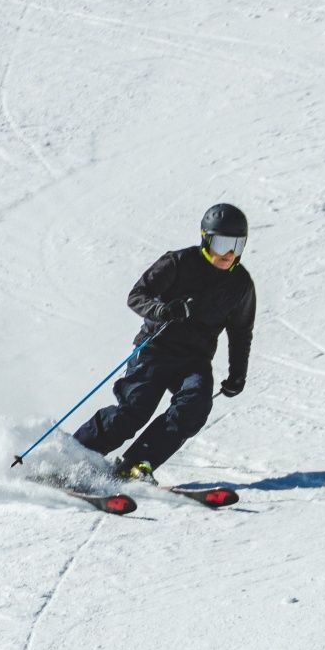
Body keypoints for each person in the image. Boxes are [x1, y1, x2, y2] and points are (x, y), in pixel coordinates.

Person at [73, 203, 255, 479]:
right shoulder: (178, 263)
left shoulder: (240, 284)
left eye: (237, 245)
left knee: (194, 407)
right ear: (206, 239)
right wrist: (161, 311)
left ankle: (136, 465)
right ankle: (73, 454)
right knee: (134, 412)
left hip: (195, 360)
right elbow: (137, 295)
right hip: (155, 351)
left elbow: (241, 332)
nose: (229, 254)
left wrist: (237, 374)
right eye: (222, 243)